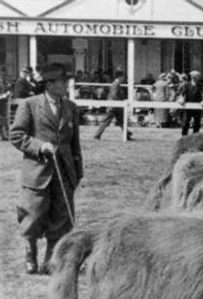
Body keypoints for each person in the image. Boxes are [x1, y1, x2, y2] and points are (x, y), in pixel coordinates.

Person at [9, 63, 83, 275]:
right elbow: (17, 135)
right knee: (32, 216)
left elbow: (75, 143)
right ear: (49, 84)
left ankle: (51, 259)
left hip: (64, 172)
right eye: (62, 82)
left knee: (62, 219)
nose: (66, 86)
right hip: (37, 173)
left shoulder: (70, 107)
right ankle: (30, 256)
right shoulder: (30, 105)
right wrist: (40, 146)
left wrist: (77, 172)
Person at [94, 69, 132, 140]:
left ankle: (127, 135)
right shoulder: (116, 84)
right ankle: (97, 135)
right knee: (107, 121)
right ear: (120, 77)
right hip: (114, 106)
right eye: (123, 77)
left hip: (116, 106)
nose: (124, 78)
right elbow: (114, 95)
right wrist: (120, 101)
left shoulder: (117, 83)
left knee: (121, 121)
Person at [176, 70, 203, 136]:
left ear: (198, 77)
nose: (194, 78)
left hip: (197, 106)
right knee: (186, 122)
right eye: (193, 76)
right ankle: (184, 137)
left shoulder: (200, 85)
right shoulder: (186, 84)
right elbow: (181, 94)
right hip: (187, 106)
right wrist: (181, 99)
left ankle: (195, 137)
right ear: (191, 77)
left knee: (197, 123)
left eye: (196, 76)